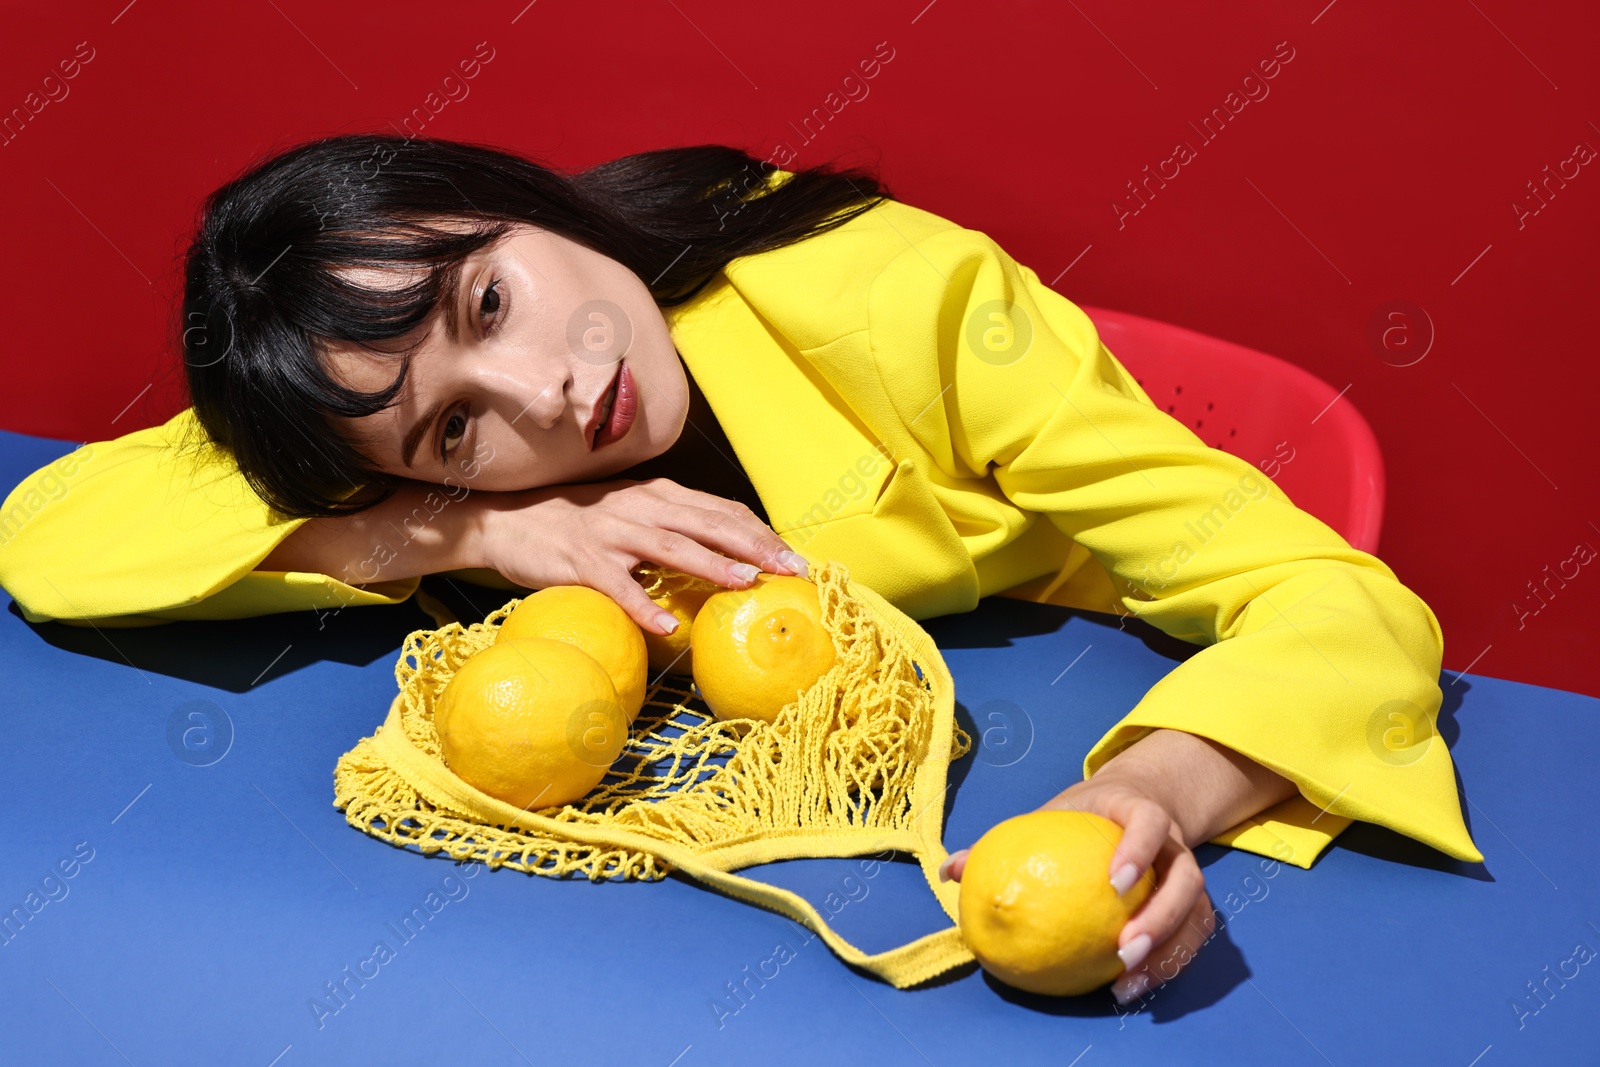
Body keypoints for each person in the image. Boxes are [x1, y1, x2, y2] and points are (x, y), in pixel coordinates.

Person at [0, 133, 1481, 1007]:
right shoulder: (453, 486)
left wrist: (1149, 792)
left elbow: (1337, 600)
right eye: (451, 424)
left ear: (528, 200)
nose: (543, 394)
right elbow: (50, 533)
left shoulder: (901, 297)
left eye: (492, 296)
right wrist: (474, 531)